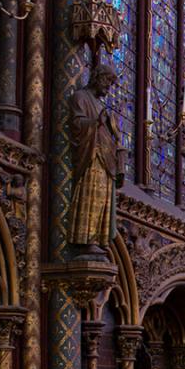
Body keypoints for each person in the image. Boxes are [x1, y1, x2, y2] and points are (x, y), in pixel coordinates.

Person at [67, 61, 127, 252]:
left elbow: (110, 134)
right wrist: (96, 122)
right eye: (107, 82)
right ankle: (86, 240)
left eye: (111, 84)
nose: (108, 87)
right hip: (91, 155)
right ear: (97, 78)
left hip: (106, 160)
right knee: (90, 196)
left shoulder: (101, 105)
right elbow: (77, 124)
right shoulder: (80, 97)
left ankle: (99, 240)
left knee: (102, 200)